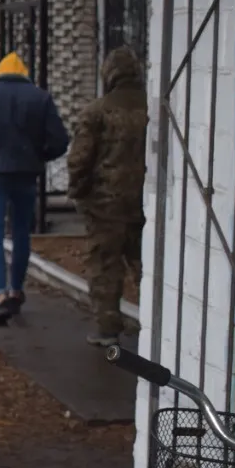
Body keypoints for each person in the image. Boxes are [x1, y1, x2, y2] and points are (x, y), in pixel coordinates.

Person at [0, 51, 70, 325]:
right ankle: (17, 290)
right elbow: (60, 141)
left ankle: (0, 295)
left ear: (0, 72)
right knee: (21, 234)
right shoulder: (40, 98)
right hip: (26, 174)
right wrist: (39, 155)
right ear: (24, 74)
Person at [67, 47, 148, 346]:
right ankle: (158, 322)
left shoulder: (97, 111)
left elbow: (79, 159)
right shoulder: (153, 109)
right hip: (143, 203)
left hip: (105, 205)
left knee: (105, 265)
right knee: (145, 263)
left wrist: (77, 191)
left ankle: (107, 329)